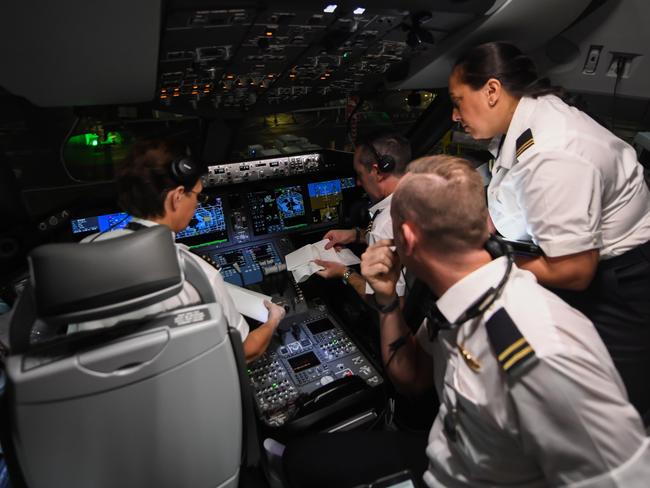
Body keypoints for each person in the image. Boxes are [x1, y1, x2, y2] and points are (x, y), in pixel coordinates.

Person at [283, 155, 650, 488]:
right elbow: (411, 380)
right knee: (301, 459)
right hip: (449, 454)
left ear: (406, 238)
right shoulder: (462, 297)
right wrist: (386, 301)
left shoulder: (543, 354)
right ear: (486, 222)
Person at [449, 41, 650, 416]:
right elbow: (516, 197)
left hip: (621, 285)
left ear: (492, 90)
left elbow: (573, 272)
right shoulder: (527, 124)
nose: (454, 116)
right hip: (586, 266)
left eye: (458, 101)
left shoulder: (554, 151)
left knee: (612, 407)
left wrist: (489, 269)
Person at [69, 138, 285, 363]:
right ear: (176, 197)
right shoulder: (197, 276)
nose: (198, 204)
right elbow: (246, 350)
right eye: (198, 196)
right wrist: (273, 319)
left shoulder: (87, 248)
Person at [314, 131, 411, 301]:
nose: (358, 183)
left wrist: (344, 272)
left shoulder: (383, 226)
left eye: (359, 174)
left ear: (377, 171)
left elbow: (391, 306)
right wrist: (356, 235)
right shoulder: (424, 193)